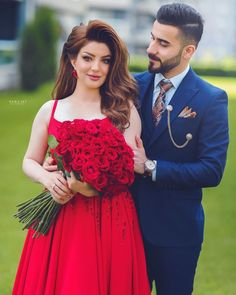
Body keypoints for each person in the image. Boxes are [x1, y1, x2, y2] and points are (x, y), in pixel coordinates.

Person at [13, 20, 150, 295]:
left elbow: (124, 173)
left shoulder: (124, 112)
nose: (96, 67)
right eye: (88, 58)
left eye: (105, 60)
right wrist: (48, 178)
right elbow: (29, 160)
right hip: (62, 218)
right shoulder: (50, 109)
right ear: (72, 59)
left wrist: (84, 187)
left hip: (111, 219)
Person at [132, 3, 229, 295]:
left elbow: (212, 170)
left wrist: (150, 167)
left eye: (163, 43)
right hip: (126, 227)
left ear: (188, 51)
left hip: (177, 234)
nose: (151, 48)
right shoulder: (131, 87)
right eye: (152, 38)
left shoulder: (212, 100)